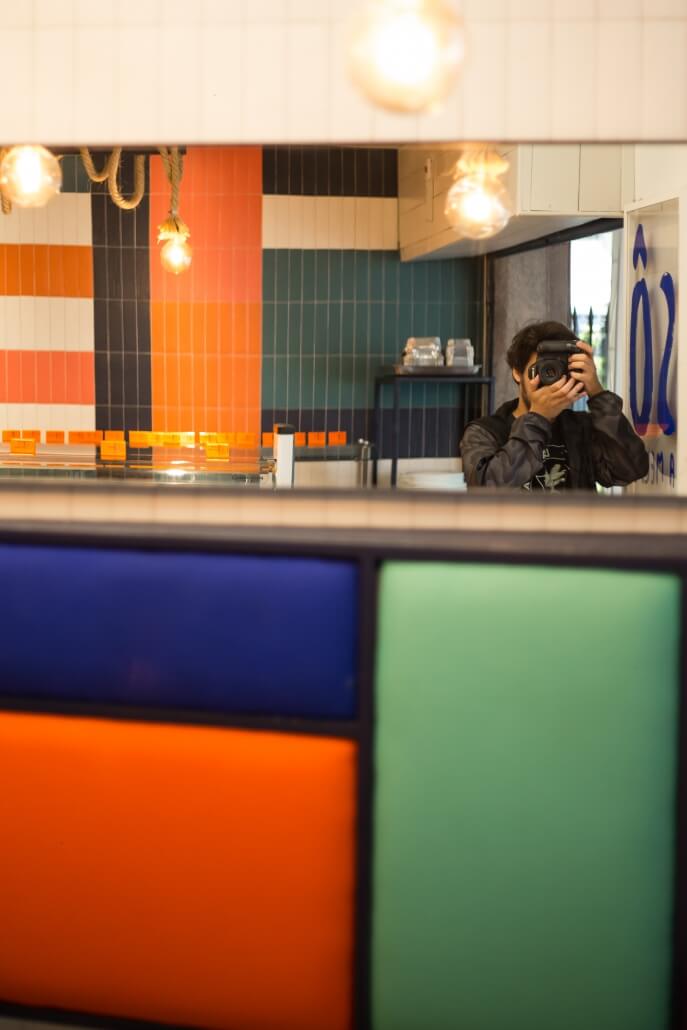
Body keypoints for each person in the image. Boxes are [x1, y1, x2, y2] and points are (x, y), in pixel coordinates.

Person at [460, 320, 649, 490]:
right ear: (517, 373)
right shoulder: (484, 432)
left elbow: (630, 470)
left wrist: (597, 392)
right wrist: (538, 417)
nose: (550, 380)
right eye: (542, 370)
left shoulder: (581, 428)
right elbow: (486, 489)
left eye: (558, 370)